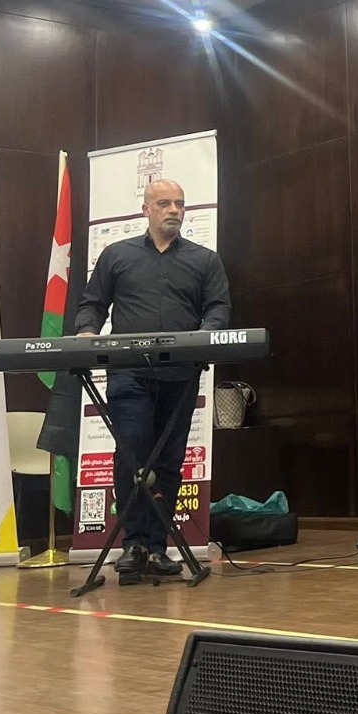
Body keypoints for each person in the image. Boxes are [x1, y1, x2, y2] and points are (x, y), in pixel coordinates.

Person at [74, 179, 230, 578]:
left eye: (179, 203)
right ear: (146, 209)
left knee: (170, 461)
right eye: (164, 203)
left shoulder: (204, 260)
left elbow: (217, 308)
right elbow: (93, 304)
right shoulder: (117, 255)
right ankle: (133, 545)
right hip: (128, 375)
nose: (174, 210)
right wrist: (87, 334)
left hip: (180, 376)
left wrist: (205, 335)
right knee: (131, 457)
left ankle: (158, 548)